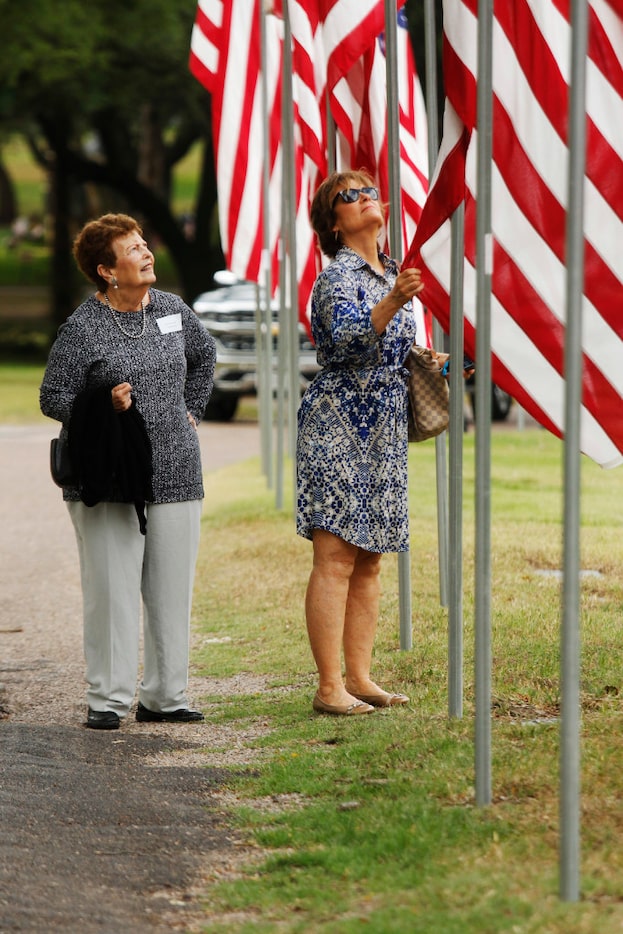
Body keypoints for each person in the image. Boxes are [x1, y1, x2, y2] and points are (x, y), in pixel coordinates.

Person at [40, 213, 216, 730]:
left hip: (177, 469)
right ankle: (108, 699)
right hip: (108, 475)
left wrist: (192, 411)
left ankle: (166, 696)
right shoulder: (83, 326)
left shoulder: (171, 310)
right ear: (107, 270)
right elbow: (53, 395)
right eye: (133, 249)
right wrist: (103, 402)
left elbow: (205, 357)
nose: (146, 253)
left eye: (145, 245)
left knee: (170, 589)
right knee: (112, 589)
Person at [297, 170, 443, 717]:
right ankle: (328, 685)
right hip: (338, 424)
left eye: (366, 191)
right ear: (334, 224)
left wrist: (430, 365)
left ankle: (360, 677)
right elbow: (344, 344)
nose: (363, 199)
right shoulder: (337, 278)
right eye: (346, 197)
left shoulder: (391, 274)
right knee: (334, 556)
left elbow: (391, 350)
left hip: (384, 427)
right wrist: (393, 302)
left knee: (371, 560)